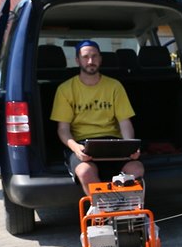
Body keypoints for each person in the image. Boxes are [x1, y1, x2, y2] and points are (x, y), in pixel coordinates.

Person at [51, 40, 144, 196]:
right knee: (85, 171)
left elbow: (125, 122)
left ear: (100, 59)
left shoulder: (114, 86)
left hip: (113, 143)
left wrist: (130, 147)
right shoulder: (65, 89)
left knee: (136, 168)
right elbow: (63, 129)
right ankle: (103, 213)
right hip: (82, 144)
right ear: (77, 60)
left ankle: (125, 210)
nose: (90, 61)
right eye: (85, 57)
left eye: (94, 56)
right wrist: (76, 148)